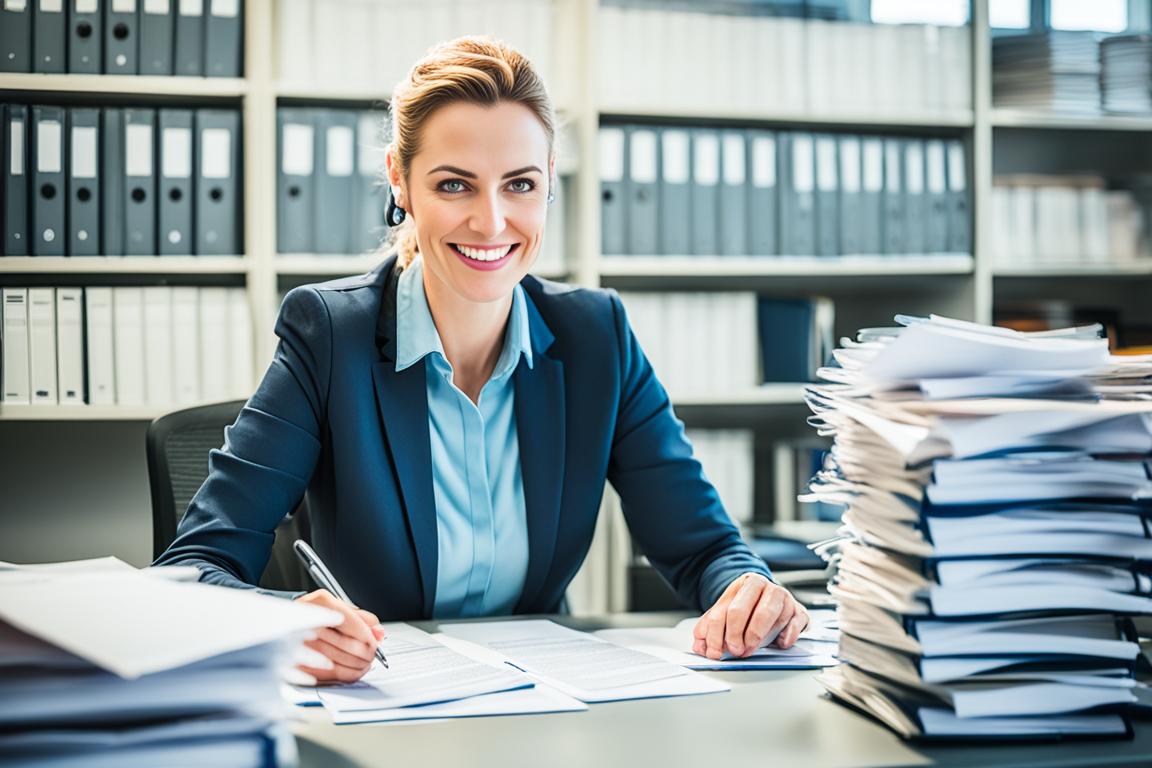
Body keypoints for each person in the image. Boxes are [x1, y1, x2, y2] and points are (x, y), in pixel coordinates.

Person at [155, 36, 808, 683]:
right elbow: (192, 570)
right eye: (454, 185)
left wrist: (747, 589)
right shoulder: (329, 337)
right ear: (401, 181)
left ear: (549, 180)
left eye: (519, 184)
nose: (492, 222)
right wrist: (286, 623)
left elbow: (705, 548)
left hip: (543, 706)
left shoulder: (595, 337)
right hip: (379, 709)